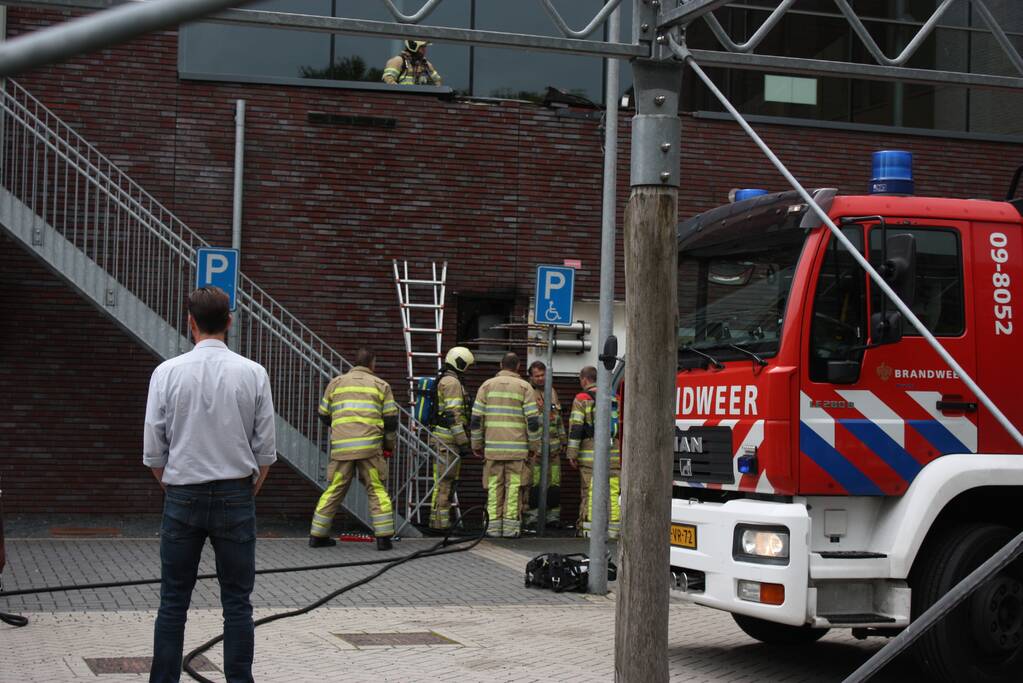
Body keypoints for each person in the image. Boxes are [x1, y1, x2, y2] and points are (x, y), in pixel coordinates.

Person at [143, 286, 277, 683]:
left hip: (182, 494)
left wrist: (174, 488)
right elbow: (265, 450)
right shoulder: (253, 373)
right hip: (236, 495)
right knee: (238, 604)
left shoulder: (167, 373)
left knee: (173, 602)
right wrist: (247, 490)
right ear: (229, 321)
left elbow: (153, 450)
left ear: (190, 322)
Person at [308, 348, 399, 551]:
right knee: (376, 490)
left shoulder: (336, 383)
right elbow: (391, 421)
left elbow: (323, 414)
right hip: (370, 448)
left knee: (334, 489)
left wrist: (341, 430)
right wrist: (388, 446)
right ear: (372, 363)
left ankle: (317, 535)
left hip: (342, 449)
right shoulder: (381, 385)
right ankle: (384, 539)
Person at [470, 352, 541, 538]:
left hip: (493, 449)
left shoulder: (486, 386)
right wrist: (534, 447)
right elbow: (533, 421)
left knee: (494, 487)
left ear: (501, 365)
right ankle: (510, 528)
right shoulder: (525, 387)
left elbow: (476, 419)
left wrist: (476, 444)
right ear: (518, 367)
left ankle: (492, 527)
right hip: (517, 450)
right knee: (514, 487)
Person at [566, 366, 621, 540]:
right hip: (613, 454)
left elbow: (576, 428)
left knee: (590, 491)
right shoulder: (613, 397)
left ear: (584, 379)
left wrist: (572, 453)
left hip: (590, 454)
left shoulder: (582, 398)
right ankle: (614, 530)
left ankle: (589, 530)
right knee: (613, 491)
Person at [428, 346, 475, 530]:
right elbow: (453, 415)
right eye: (467, 366)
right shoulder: (452, 383)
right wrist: (463, 442)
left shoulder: (445, 379)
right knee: (445, 482)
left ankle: (438, 521)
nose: (467, 370)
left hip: (444, 439)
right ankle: (440, 524)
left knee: (443, 482)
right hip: (448, 441)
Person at [522, 360, 566, 529]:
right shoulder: (527, 392)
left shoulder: (552, 392)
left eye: (543, 375)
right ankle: (532, 517)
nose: (540, 378)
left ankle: (552, 517)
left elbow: (558, 418)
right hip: (536, 448)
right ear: (531, 376)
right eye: (537, 376)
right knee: (534, 483)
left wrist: (563, 440)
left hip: (553, 448)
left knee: (554, 482)